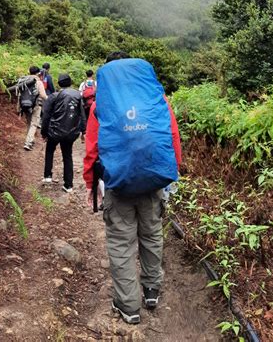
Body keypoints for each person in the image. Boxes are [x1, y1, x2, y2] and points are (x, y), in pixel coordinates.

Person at [83, 51, 182, 325]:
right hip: (152, 182)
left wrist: (91, 184)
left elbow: (92, 149)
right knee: (151, 235)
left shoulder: (101, 105)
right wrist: (172, 174)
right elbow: (172, 135)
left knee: (121, 243)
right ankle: (152, 290)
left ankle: (128, 306)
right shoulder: (157, 99)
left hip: (119, 185)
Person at [41, 73, 86, 192]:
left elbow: (46, 116)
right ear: (70, 83)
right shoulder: (77, 95)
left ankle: (47, 176)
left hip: (54, 131)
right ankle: (68, 185)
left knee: (50, 150)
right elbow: (82, 115)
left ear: (59, 83)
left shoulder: (54, 96)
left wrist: (44, 132)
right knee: (67, 156)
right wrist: (83, 131)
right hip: (71, 132)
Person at [23, 65, 47, 151]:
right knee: (34, 124)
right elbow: (43, 95)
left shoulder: (24, 81)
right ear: (38, 73)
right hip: (36, 105)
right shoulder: (38, 82)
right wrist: (49, 100)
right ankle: (28, 143)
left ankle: (30, 139)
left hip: (25, 105)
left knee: (29, 123)